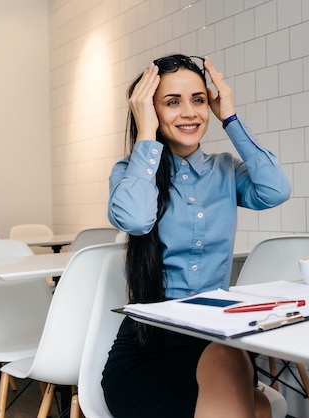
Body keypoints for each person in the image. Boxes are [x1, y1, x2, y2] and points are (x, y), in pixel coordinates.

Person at [101, 54, 291, 418]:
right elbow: (136, 220)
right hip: (149, 349)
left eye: (198, 99)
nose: (189, 112)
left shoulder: (225, 170)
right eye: (172, 102)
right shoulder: (129, 173)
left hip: (215, 336)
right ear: (149, 109)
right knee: (258, 407)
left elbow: (276, 190)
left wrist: (230, 117)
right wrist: (145, 134)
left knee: (233, 364)